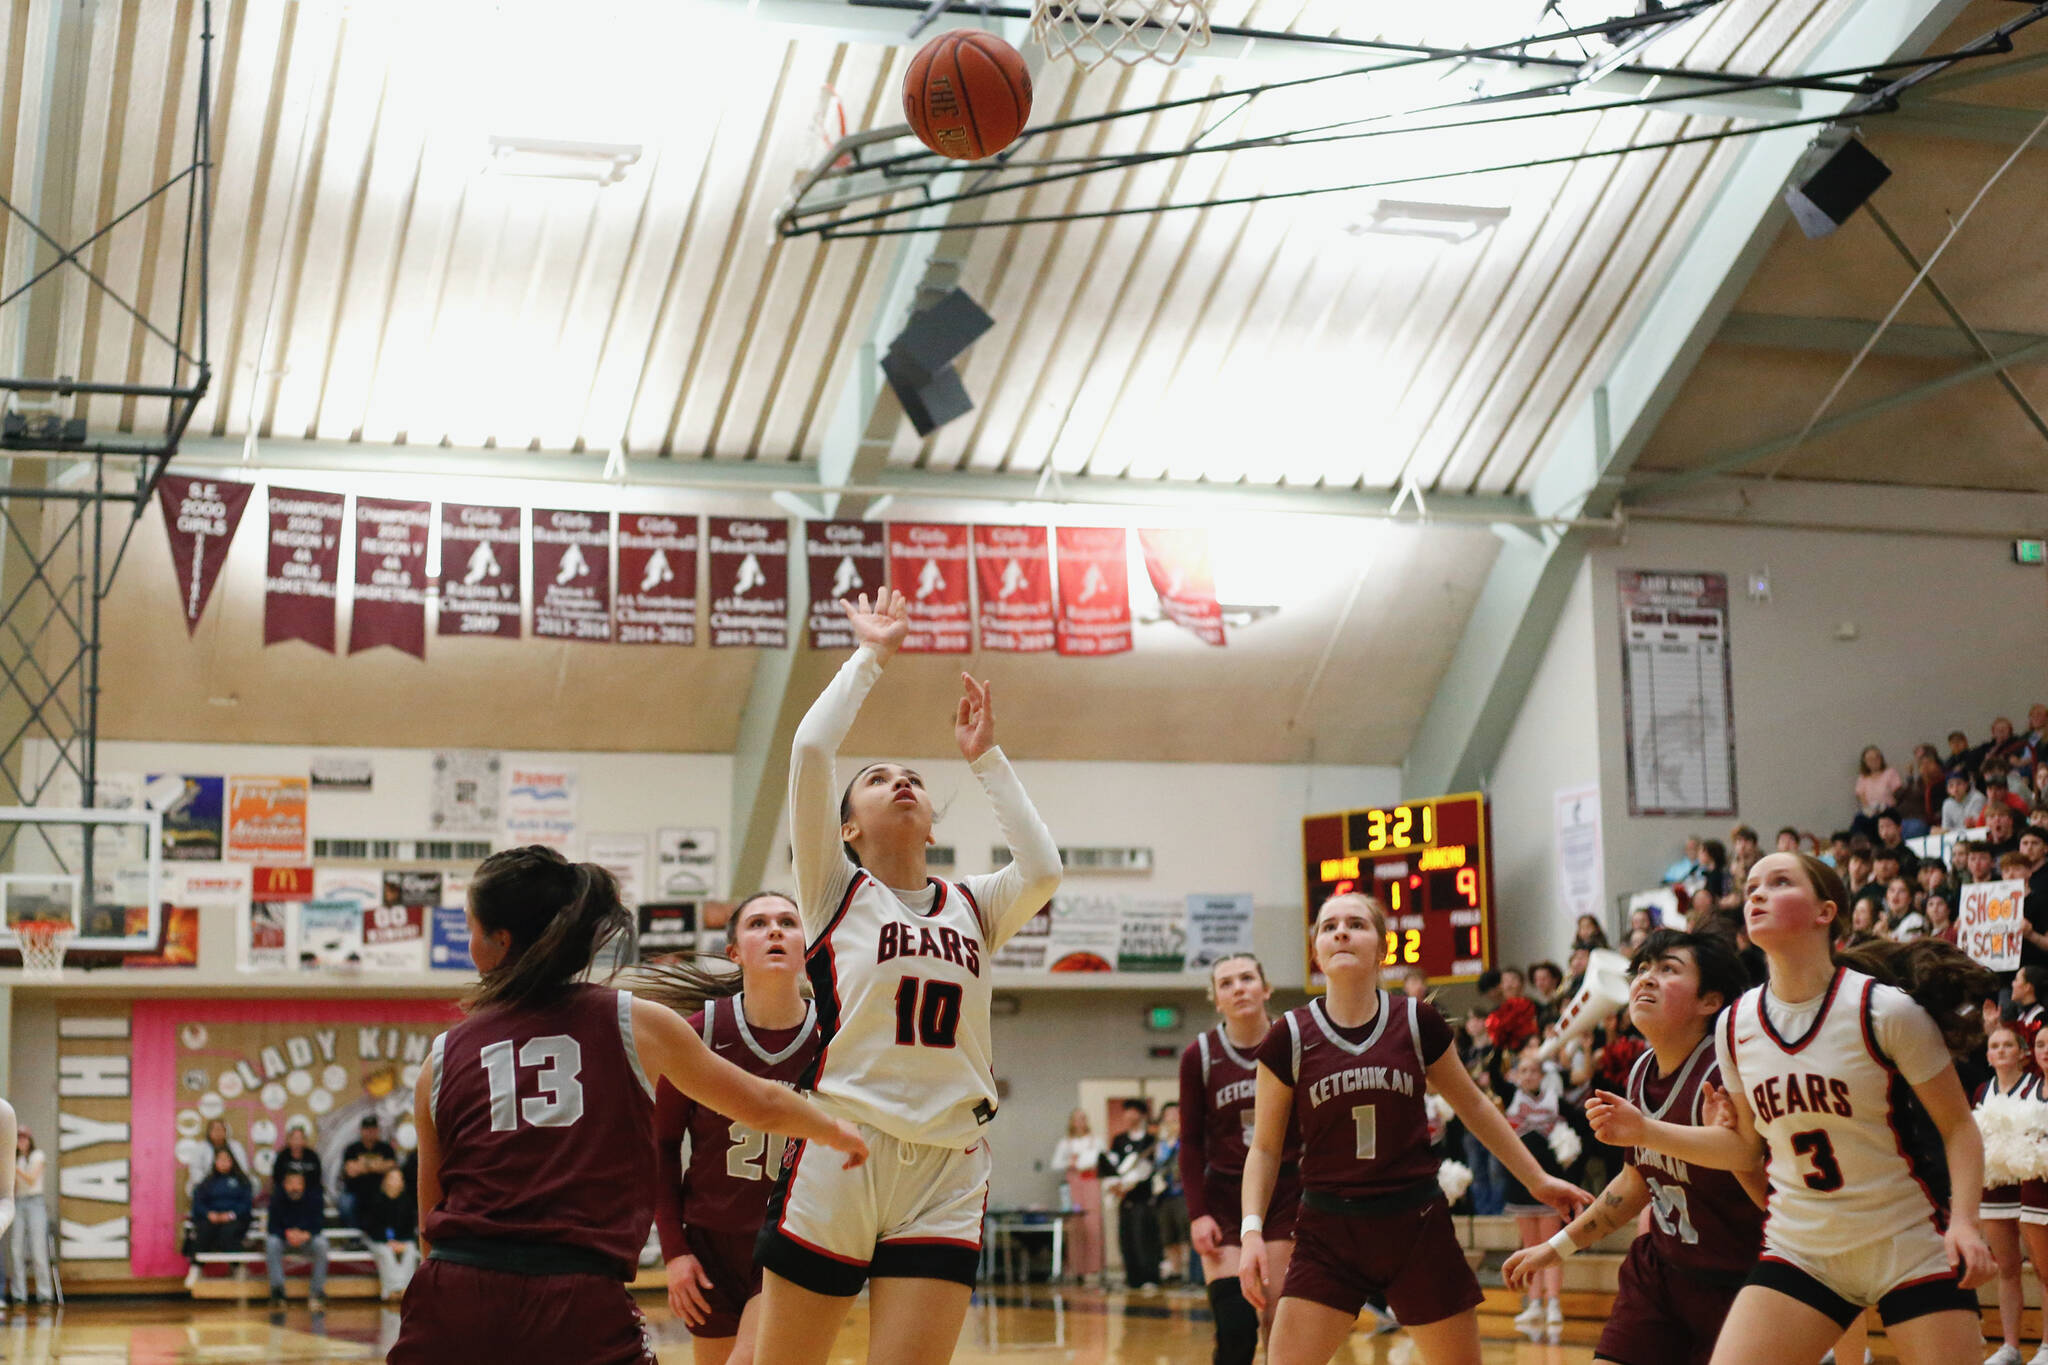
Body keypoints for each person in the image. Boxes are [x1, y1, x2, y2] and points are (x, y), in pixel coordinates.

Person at [388, 846, 868, 1365]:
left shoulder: (438, 1061)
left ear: (499, 942)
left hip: (454, 1293)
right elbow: (762, 1102)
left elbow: (428, 1222)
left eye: (470, 929)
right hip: (576, 1295)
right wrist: (832, 1130)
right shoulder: (633, 1022)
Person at [751, 587, 1061, 1365]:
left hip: (951, 1163)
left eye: (912, 778)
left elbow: (1045, 869)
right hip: (845, 1145)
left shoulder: (974, 905)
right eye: (880, 777)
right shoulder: (832, 890)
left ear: (931, 817)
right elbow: (811, 753)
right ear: (846, 826)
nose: (902, 782)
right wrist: (870, 657)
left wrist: (985, 757)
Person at [1588, 852, 1995, 1365]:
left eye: (1779, 883)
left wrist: (1964, 1221)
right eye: (1752, 884)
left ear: (1826, 912)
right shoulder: (1736, 1024)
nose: (1757, 894)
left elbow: (1959, 1128)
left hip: (1906, 1239)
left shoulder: (1883, 1010)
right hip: (1802, 1247)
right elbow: (1741, 1149)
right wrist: (1643, 1129)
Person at [1238, 893, 1590, 1365]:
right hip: (1329, 1231)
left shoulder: (1415, 1020)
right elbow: (1263, 1148)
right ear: (1316, 950)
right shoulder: (1289, 1036)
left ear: (1382, 948)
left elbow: (1476, 1109)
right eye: (1329, 926)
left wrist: (1538, 1180)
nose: (1341, 932)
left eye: (1356, 924)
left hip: (1416, 1224)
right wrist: (1251, 1232)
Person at [1506, 929, 1764, 1365]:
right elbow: (1636, 1181)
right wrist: (1557, 1248)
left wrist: (1644, 1129)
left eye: (1668, 970)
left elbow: (1743, 1154)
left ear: (1709, 1000)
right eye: (1642, 969)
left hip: (1739, 1279)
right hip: (1660, 1274)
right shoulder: (1642, 1068)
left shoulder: (1728, 1067)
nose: (1646, 979)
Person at [638, 891, 822, 1365]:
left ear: (809, 944)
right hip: (711, 1240)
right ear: (734, 952)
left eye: (788, 922)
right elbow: (659, 1146)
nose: (775, 930)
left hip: (793, 1236)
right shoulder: (699, 1032)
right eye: (758, 924)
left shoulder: (832, 1039)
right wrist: (675, 1251)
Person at [1181, 952, 1301, 1363]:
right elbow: (1190, 1142)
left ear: (1266, 989)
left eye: (1247, 978)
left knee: (1278, 1319)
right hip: (1225, 1196)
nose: (1238, 988)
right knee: (1235, 1327)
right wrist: (1198, 1213)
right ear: (1215, 998)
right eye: (1226, 983)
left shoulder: (1295, 1043)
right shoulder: (1199, 1055)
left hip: (1284, 1192)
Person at [1976, 1023, 2037, 1365]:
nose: (2000, 1051)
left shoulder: (2036, 1088)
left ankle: (2045, 1345)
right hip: (1994, 1191)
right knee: (2007, 1269)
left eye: (2007, 1045)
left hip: (2030, 1188)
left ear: (2022, 1054)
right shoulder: (1982, 1091)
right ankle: (2011, 1347)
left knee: (2044, 1271)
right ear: (1987, 1056)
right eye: (1994, 1046)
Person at [1502, 1049, 1568, 1339]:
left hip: (1550, 1180)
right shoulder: (1509, 1098)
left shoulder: (1556, 1100)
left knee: (1552, 1247)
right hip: (1520, 1182)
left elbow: (1580, 1129)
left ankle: (1554, 1303)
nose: (1528, 1075)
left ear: (1542, 1075)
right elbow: (1492, 1074)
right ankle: (1535, 1303)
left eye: (1533, 1071)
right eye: (1523, 1071)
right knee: (1529, 1245)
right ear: (1516, 1075)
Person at [1106, 1099, 1160, 1289]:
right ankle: (1132, 1277)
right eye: (1126, 1112)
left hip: (1142, 1197)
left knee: (1143, 1237)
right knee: (1126, 1237)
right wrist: (1114, 1186)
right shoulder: (1119, 1140)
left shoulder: (1150, 1140)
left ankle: (1149, 1277)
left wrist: (1130, 1184)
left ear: (1142, 1115)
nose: (1129, 1115)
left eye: (1133, 1111)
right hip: (1123, 1198)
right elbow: (1111, 1166)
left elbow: (1149, 1168)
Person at [1051, 1109, 1104, 1286]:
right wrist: (1070, 1162)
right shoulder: (1066, 1143)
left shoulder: (1096, 1141)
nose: (1080, 1122)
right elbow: (1055, 1164)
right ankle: (1076, 1268)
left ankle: (1094, 1268)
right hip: (1074, 1185)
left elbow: (1105, 1161)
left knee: (1093, 1224)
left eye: (1083, 1119)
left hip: (1091, 1183)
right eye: (1077, 1119)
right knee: (1076, 1225)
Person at [266, 1167, 329, 1310]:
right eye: (291, 1183)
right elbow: (272, 1227)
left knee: (322, 1244)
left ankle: (317, 1292)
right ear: (285, 1185)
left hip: (306, 1238)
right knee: (271, 1243)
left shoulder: (314, 1198)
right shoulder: (276, 1198)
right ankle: (278, 1291)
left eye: (298, 1183)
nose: (294, 1187)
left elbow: (319, 1223)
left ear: (303, 1185)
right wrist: (287, 1234)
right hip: (285, 1238)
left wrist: (305, 1234)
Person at [359, 1165, 420, 1302]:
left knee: (410, 1250)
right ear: (385, 1181)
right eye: (392, 1178)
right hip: (377, 1239)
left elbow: (410, 1228)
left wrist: (400, 1242)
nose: (395, 1182)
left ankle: (405, 1289)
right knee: (386, 1253)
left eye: (398, 1179)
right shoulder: (375, 1200)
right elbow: (371, 1227)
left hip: (401, 1239)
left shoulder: (407, 1201)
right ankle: (391, 1290)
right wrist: (388, 1241)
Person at [9, 1129, 48, 1308]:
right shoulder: (15, 1158)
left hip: (35, 1202)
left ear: (30, 1139)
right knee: (16, 1249)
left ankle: (45, 1294)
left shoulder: (38, 1156)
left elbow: (32, 1179)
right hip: (19, 1202)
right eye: (18, 1137)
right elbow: (15, 1186)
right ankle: (19, 1295)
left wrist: (14, 1168)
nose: (21, 1141)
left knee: (38, 1250)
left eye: (24, 1137)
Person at [190, 1147, 253, 1254]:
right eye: (220, 1159)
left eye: (226, 1159)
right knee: (204, 1231)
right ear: (215, 1162)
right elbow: (198, 1203)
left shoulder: (242, 1181)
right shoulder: (207, 1182)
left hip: (235, 1218)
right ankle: (197, 1265)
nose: (223, 1163)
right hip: (211, 1218)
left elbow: (246, 1204)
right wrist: (208, 1214)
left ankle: (237, 1265)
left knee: (229, 1232)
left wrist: (231, 1215)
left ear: (232, 1161)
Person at [1153, 1103, 1189, 1286]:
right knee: (1169, 1236)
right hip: (1164, 1195)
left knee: (1185, 1235)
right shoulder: (1160, 1144)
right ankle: (1174, 1273)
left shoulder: (1186, 1140)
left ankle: (1189, 1273)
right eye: (1168, 1115)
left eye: (1175, 1115)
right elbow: (1157, 1166)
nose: (1172, 1119)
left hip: (1182, 1193)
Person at [340, 1115, 398, 1228]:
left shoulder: (386, 1148)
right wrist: (377, 1165)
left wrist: (362, 1166)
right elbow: (350, 1170)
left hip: (379, 1190)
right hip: (355, 1191)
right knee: (345, 1204)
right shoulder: (352, 1149)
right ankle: (355, 1239)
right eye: (367, 1129)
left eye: (373, 1129)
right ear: (361, 1130)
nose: (370, 1132)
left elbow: (391, 1167)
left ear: (377, 1130)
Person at [187, 1117, 251, 1195]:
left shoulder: (236, 1146)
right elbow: (195, 1170)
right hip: (207, 1186)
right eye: (215, 1129)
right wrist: (209, 1184)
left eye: (221, 1129)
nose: (218, 1132)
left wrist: (231, 1183)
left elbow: (244, 1168)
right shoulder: (200, 1147)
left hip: (232, 1185)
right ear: (209, 1132)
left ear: (226, 1132)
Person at [274, 1124, 321, 1190]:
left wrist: (301, 1185)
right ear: (289, 1140)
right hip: (287, 1190)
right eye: (295, 1139)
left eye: (300, 1138)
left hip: (308, 1190)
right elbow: (277, 1178)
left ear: (305, 1141)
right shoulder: (282, 1156)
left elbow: (317, 1178)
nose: (297, 1142)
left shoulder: (312, 1156)